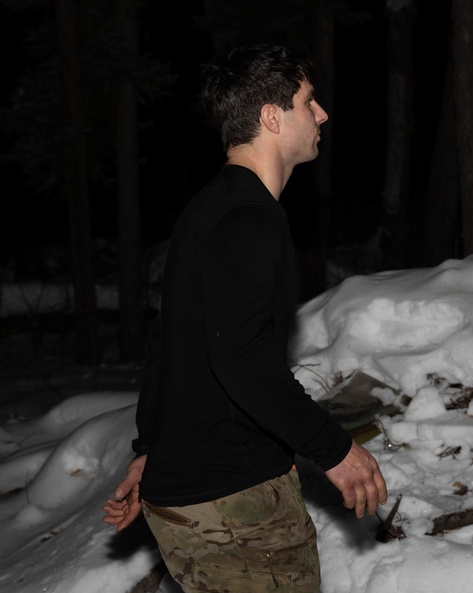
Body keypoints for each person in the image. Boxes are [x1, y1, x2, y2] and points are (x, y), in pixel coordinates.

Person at [102, 45, 388, 592]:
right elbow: (241, 358)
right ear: (271, 117)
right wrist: (336, 450)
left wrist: (151, 450)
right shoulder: (250, 220)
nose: (322, 113)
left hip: (197, 489)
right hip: (232, 502)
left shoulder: (213, 208)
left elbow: (173, 349)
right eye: (309, 101)